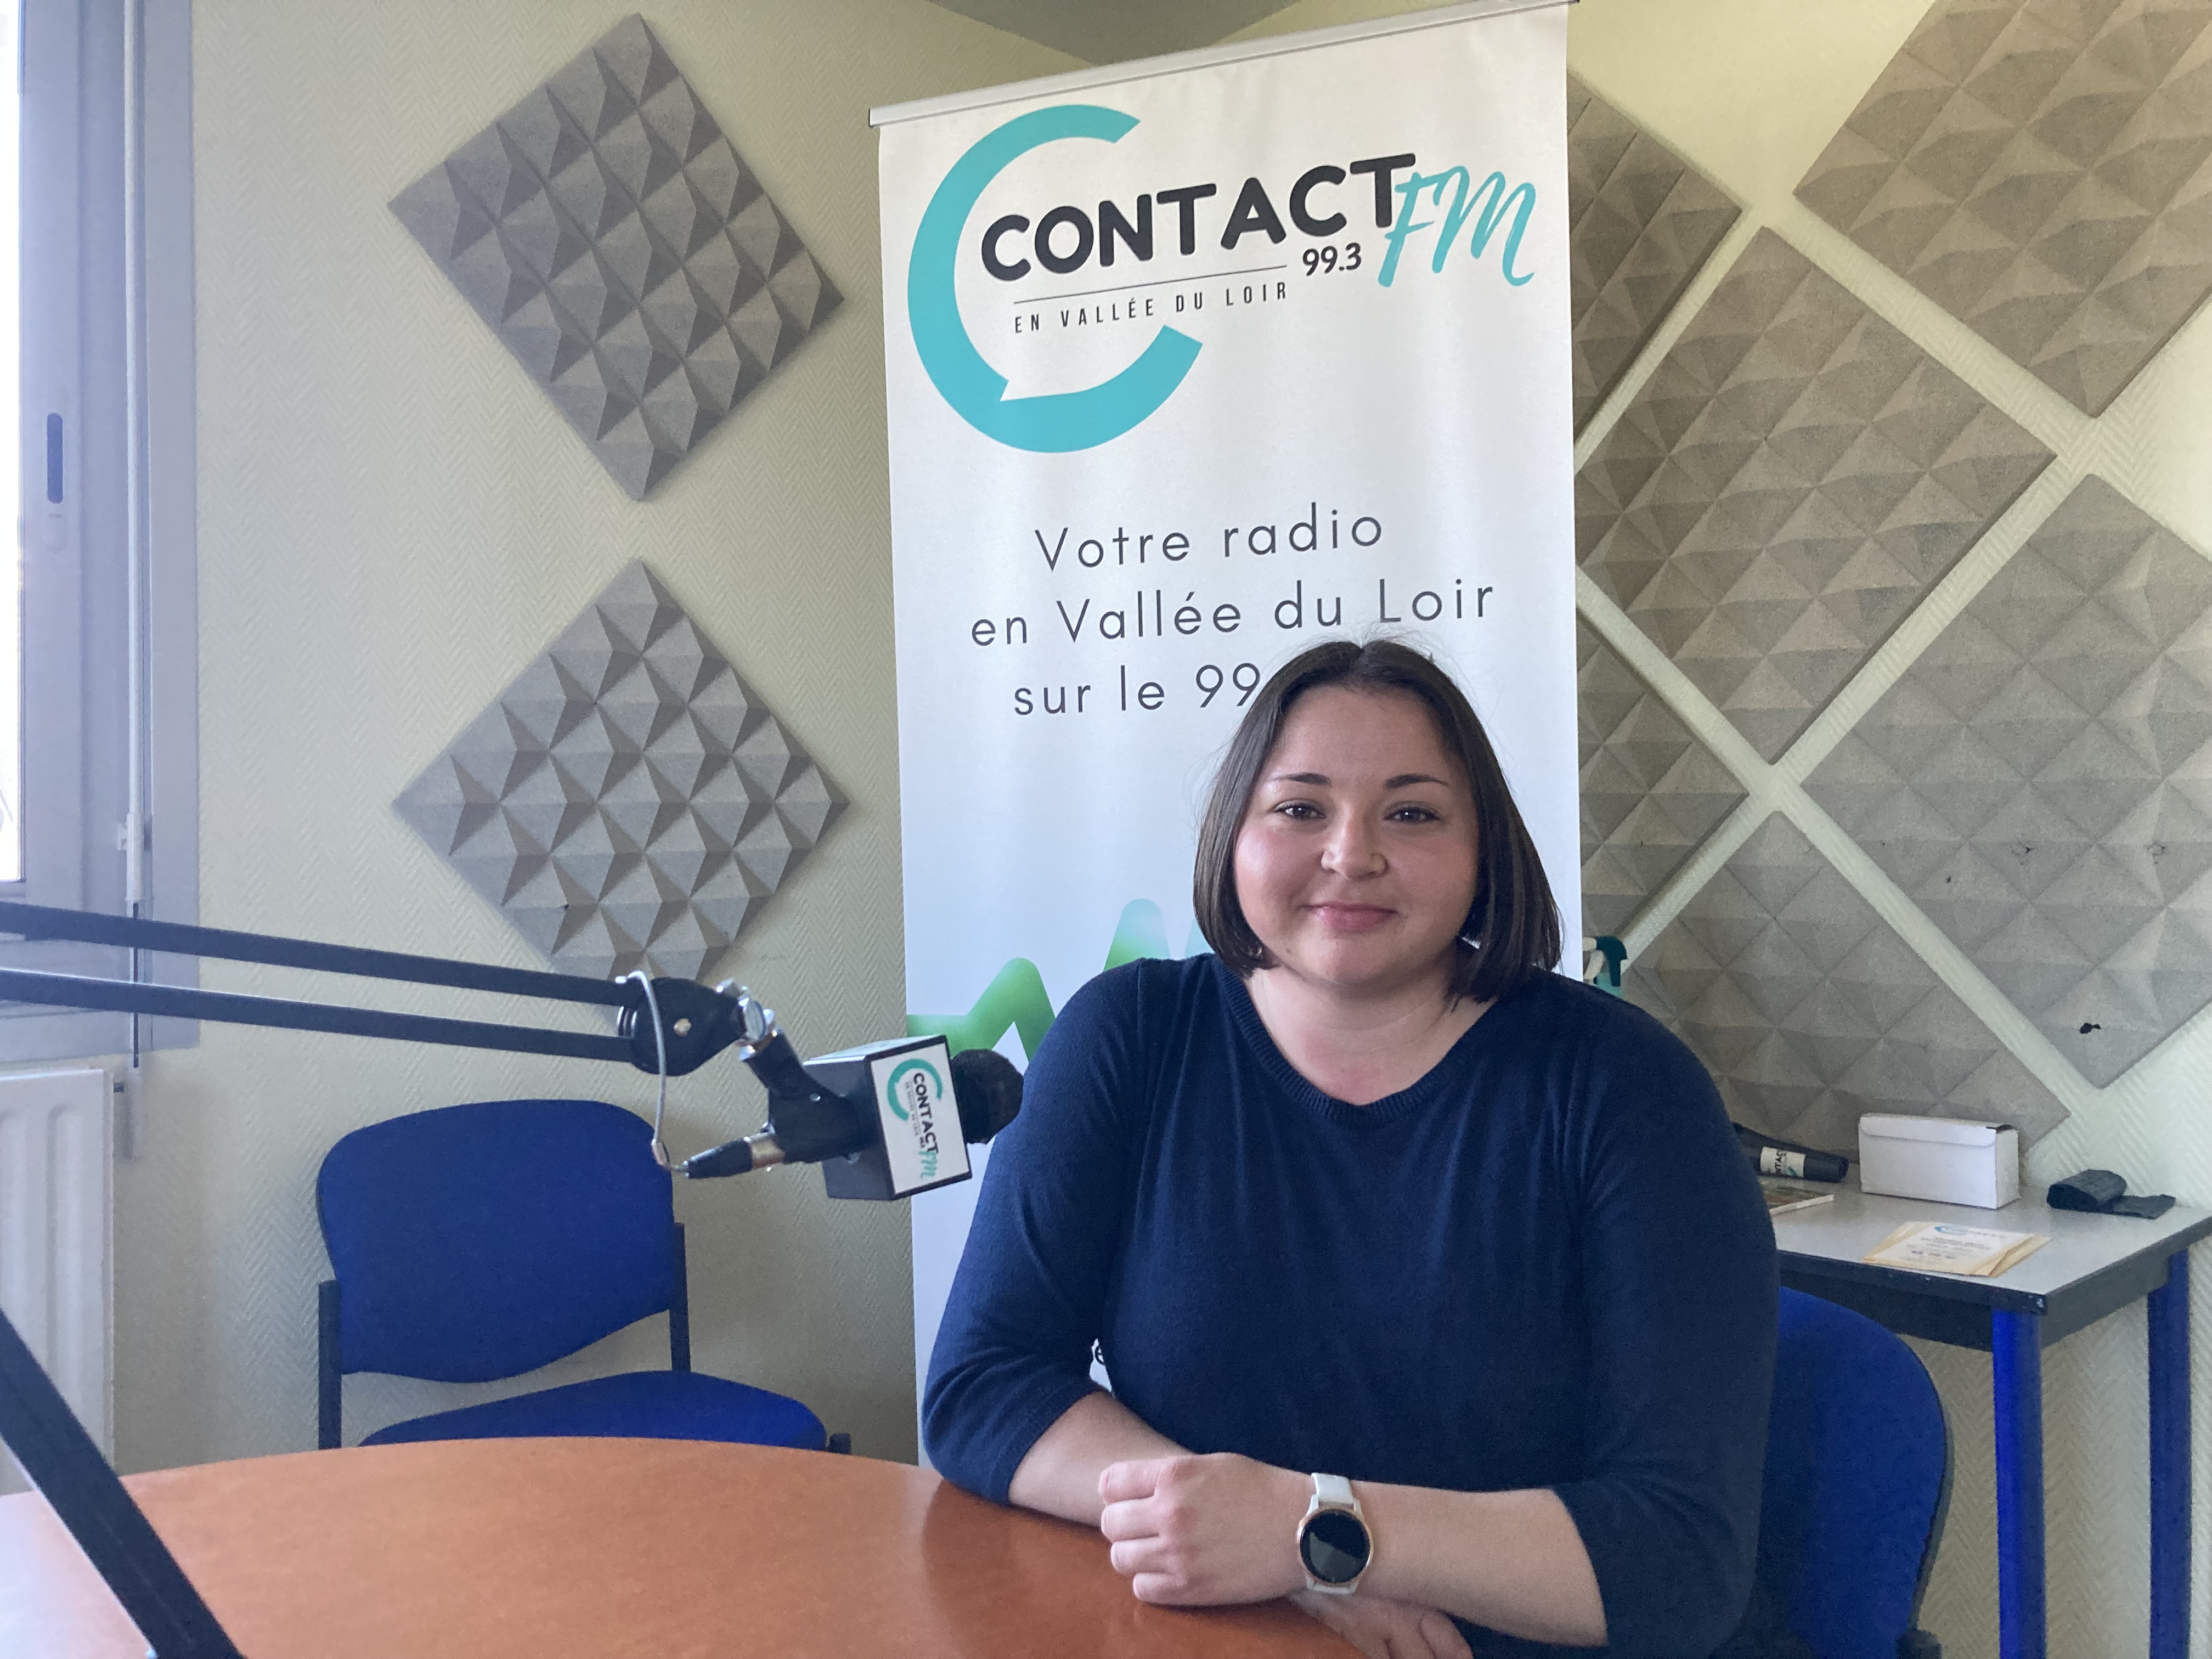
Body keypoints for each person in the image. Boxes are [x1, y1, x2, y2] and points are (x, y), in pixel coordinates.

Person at [923, 638, 1778, 1658]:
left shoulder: (1626, 1087)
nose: (1350, 853)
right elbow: (986, 1385)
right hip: (1220, 1633)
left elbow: (1682, 1561)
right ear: (1234, 833)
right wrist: (1253, 1551)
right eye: (1300, 808)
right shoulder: (1130, 1036)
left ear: (1486, 848)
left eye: (1412, 814)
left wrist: (1318, 1536)